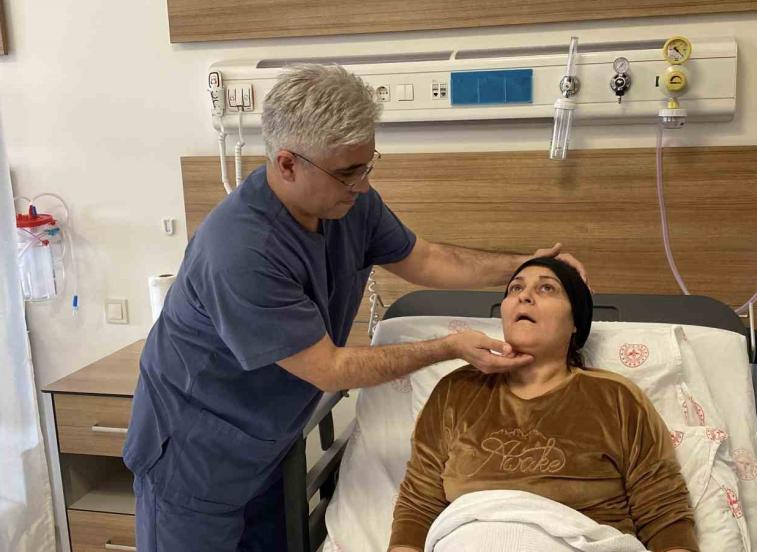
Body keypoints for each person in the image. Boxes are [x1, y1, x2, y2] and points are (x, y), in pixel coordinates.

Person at [123, 64, 588, 552]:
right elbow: (330, 369)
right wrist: (449, 348)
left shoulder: (346, 204)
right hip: (193, 456)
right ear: (287, 164)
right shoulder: (240, 250)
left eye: (367, 165)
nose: (362, 185)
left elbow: (426, 259)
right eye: (347, 172)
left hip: (268, 445)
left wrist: (528, 264)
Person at [389, 257, 698, 552]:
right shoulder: (456, 391)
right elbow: (419, 503)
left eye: (546, 288)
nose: (524, 296)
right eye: (515, 288)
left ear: (575, 321)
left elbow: (662, 507)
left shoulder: (616, 398)